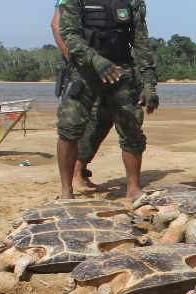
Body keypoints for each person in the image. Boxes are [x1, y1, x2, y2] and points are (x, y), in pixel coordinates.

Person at [56, 0, 159, 200]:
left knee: (132, 130)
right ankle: (66, 191)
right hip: (84, 71)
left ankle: (133, 189)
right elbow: (69, 34)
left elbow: (141, 41)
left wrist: (149, 84)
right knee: (69, 128)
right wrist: (95, 60)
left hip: (120, 70)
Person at [51, 1, 114, 193]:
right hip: (80, 67)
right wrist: (72, 57)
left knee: (105, 117)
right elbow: (56, 24)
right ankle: (74, 177)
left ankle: (81, 167)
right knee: (74, 123)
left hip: (107, 66)